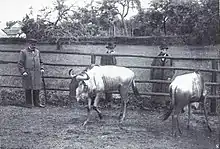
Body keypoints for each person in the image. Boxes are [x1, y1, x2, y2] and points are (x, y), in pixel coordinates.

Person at [18, 38, 45, 108]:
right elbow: (20, 63)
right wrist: (23, 71)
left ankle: (37, 103)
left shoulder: (37, 52)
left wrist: (41, 68)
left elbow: (41, 61)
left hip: (37, 73)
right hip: (28, 73)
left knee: (37, 88)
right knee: (28, 88)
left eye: (35, 45)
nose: (34, 46)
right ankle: (28, 103)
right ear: (29, 44)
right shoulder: (23, 52)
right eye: (32, 44)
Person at [150, 44, 175, 108]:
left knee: (165, 89)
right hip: (157, 76)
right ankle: (156, 103)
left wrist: (170, 76)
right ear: (161, 50)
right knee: (157, 88)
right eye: (163, 49)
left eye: (165, 49)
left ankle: (165, 103)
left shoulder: (170, 58)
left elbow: (173, 68)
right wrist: (152, 77)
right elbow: (152, 67)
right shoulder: (156, 58)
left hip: (165, 76)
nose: (164, 51)